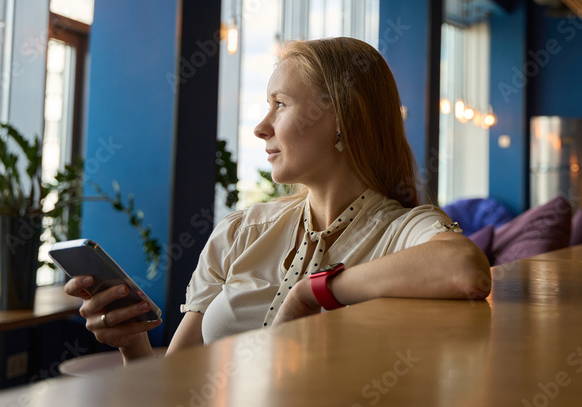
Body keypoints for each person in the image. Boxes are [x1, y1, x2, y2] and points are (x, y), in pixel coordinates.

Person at [65, 37, 491, 362]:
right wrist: (133, 342)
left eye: (280, 104)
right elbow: (178, 386)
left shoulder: (402, 231)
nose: (261, 127)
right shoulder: (239, 232)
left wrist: (313, 292)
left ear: (342, 119)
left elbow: (465, 270)